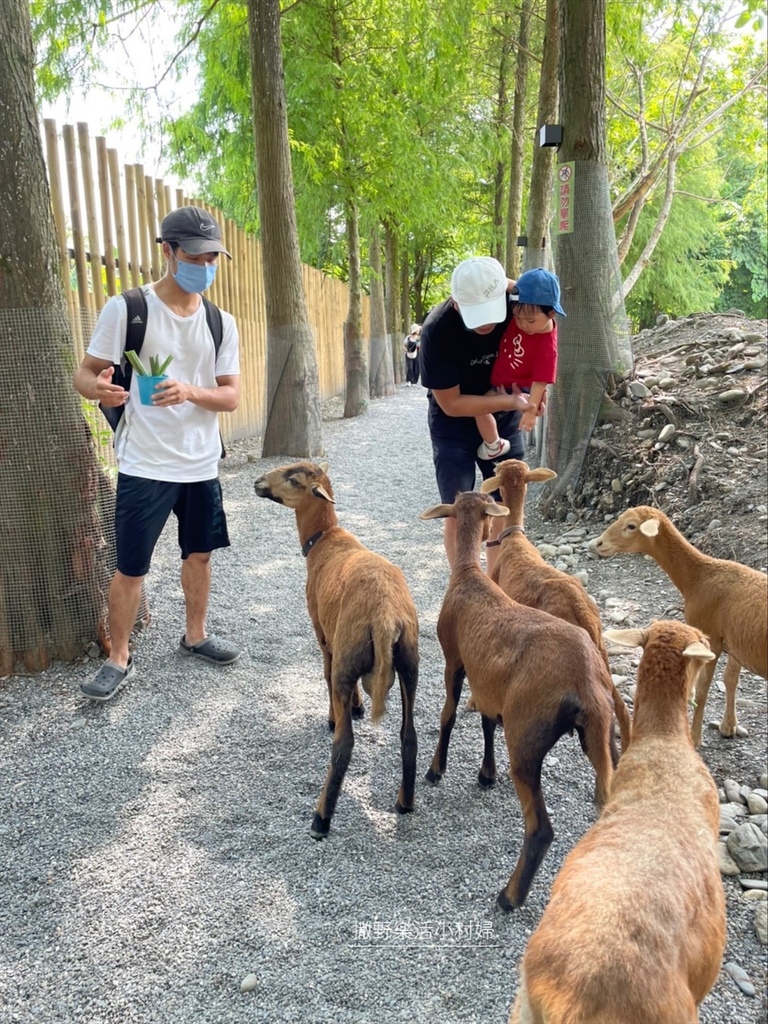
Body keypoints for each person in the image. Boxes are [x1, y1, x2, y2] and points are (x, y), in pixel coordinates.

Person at [73, 205, 242, 701]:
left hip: (200, 461)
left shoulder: (219, 321)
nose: (206, 266)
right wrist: (98, 390)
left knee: (201, 555)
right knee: (130, 568)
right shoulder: (126, 309)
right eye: (196, 256)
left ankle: (196, 634)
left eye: (213, 258)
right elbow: (85, 373)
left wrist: (191, 391)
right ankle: (118, 657)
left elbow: (231, 395)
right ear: (167, 252)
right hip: (145, 461)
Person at [419, 256, 532, 568]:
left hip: (505, 419)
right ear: (456, 303)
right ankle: (464, 581)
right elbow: (451, 404)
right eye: (477, 315)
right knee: (459, 507)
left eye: (491, 312)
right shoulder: (437, 331)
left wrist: (537, 391)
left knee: (507, 502)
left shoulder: (521, 300)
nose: (487, 324)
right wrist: (506, 402)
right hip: (453, 424)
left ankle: (498, 582)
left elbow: (546, 335)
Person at [474, 267, 564, 459]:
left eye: (530, 321)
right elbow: (503, 283)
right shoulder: (526, 309)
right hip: (499, 381)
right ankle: (495, 443)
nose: (522, 324)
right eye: (517, 318)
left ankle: (492, 445)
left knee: (480, 410)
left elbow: (540, 382)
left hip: (517, 388)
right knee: (478, 407)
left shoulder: (547, 345)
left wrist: (530, 412)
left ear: (551, 314)